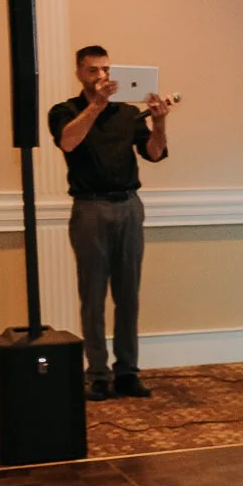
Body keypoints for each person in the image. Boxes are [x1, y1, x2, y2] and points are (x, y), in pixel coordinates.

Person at [47, 46, 175, 400]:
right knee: (92, 294)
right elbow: (69, 142)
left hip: (129, 206)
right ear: (79, 73)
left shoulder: (128, 113)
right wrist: (96, 105)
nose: (101, 76)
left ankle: (128, 372)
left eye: (105, 69)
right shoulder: (64, 111)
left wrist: (159, 120)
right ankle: (98, 374)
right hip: (90, 208)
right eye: (93, 71)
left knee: (128, 294)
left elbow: (153, 153)